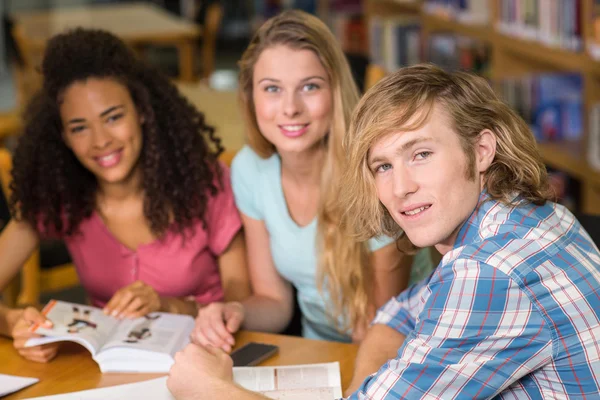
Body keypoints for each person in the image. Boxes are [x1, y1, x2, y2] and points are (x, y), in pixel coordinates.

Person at [166, 64, 600, 399]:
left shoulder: (489, 271)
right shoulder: (526, 215)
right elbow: (399, 315)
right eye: (384, 166)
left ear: (481, 150)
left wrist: (209, 388)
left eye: (422, 154)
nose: (401, 187)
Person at [0, 28, 250, 362]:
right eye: (79, 127)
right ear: (63, 136)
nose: (101, 140)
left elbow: (243, 301)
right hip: (108, 377)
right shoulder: (59, 192)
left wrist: (171, 306)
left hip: (212, 361)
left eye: (114, 117)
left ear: (143, 111)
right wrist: (11, 320)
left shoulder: (203, 182)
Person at [191, 10, 433, 350]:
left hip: (403, 352)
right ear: (250, 97)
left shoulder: (376, 172)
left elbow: (380, 330)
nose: (290, 108)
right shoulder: (250, 169)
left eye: (309, 87)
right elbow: (275, 302)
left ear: (335, 91)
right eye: (272, 88)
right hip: (316, 354)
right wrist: (231, 311)